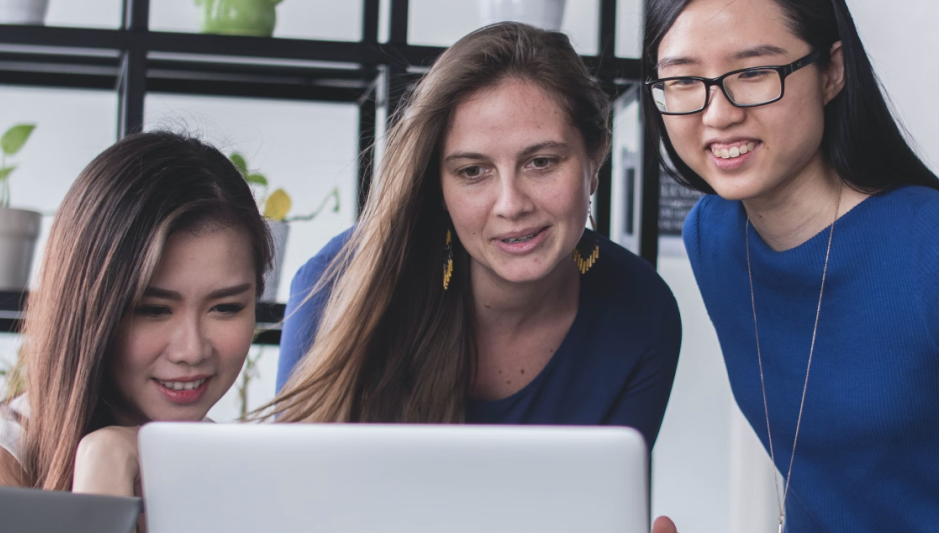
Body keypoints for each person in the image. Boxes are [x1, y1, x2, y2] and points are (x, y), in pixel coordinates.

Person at [645, 0, 939, 531]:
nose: (718, 113)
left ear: (832, 71)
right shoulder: (712, 236)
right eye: (683, 81)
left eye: (754, 73)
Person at [268, 22, 681, 448]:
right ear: (438, 187)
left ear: (595, 158)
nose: (510, 203)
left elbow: (606, 507)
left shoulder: (643, 312)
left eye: (541, 162)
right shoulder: (338, 283)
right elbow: (296, 496)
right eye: (472, 171)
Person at [0, 131, 272, 499]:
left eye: (226, 308)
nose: (192, 350)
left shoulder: (236, 470)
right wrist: (104, 467)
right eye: (154, 310)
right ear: (87, 310)